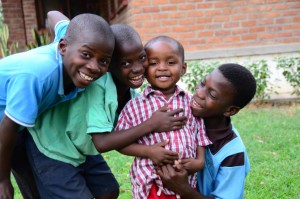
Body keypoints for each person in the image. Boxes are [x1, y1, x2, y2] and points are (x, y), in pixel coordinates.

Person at [25, 11, 186, 199]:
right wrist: (152, 124)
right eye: (125, 63)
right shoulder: (98, 87)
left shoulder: (131, 93)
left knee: (108, 191)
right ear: (109, 65)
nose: (137, 68)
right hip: (53, 148)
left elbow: (124, 137)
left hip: (80, 147)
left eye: (141, 58)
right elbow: (102, 142)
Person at [0, 13, 115, 199]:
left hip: (24, 123)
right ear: (63, 46)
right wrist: (2, 180)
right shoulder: (37, 76)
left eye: (103, 61)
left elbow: (53, 14)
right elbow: (7, 127)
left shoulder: (73, 38)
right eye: (86, 55)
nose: (94, 67)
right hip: (7, 126)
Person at [115, 36, 212, 199]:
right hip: (150, 182)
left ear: (183, 68)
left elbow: (200, 135)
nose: (162, 68)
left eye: (171, 62)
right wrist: (149, 151)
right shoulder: (135, 106)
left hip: (185, 181)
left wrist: (200, 161)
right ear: (144, 69)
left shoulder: (190, 103)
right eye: (153, 63)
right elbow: (121, 142)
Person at [157, 63, 256, 199]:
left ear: (230, 110)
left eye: (212, 95)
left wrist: (183, 189)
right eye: (203, 84)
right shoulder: (182, 112)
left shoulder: (233, 153)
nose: (199, 93)